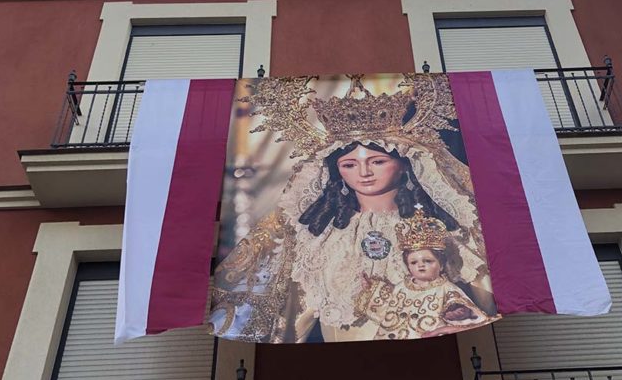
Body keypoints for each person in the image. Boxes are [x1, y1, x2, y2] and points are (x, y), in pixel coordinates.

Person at [209, 74, 496, 343]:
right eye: (349, 165)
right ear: (337, 173)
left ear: (404, 165)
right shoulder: (315, 238)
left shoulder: (440, 225)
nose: (364, 173)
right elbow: (288, 318)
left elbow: (491, 299)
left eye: (377, 161)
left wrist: (469, 322)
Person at [355, 205, 498, 340]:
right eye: (414, 262)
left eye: (428, 261)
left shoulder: (447, 289)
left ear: (441, 265)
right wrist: (371, 288)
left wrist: (458, 317)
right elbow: (388, 308)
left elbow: (471, 316)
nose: (420, 265)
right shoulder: (401, 286)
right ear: (408, 266)